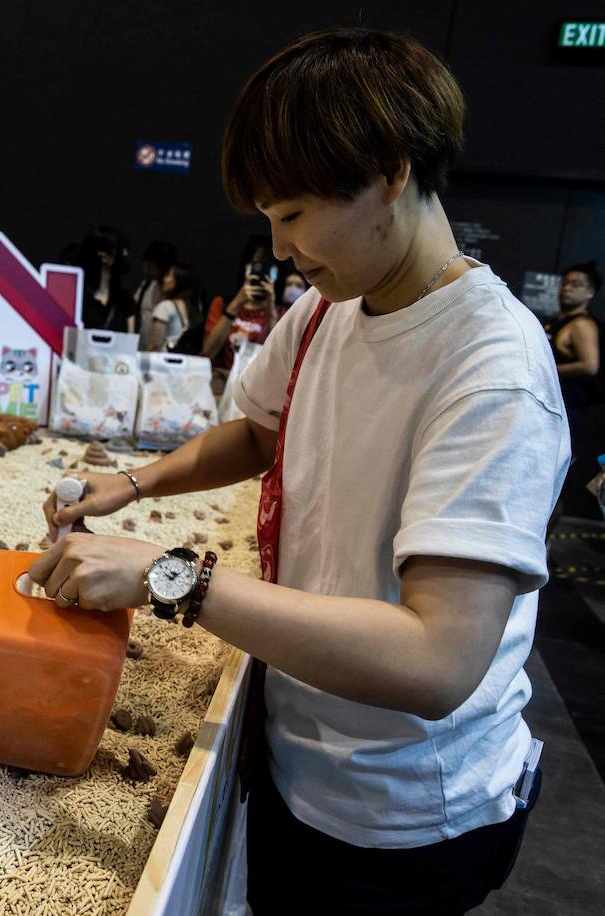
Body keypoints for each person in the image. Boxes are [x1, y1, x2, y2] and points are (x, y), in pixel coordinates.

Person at [34, 28, 563, 914]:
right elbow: (257, 431)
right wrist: (130, 487)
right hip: (299, 751)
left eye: (292, 214)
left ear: (391, 170)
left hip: (400, 819)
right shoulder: (330, 308)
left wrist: (172, 578)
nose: (280, 249)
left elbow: (438, 659)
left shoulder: (492, 369)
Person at [545, 260, 601, 522]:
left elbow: (590, 365)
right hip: (553, 415)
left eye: (576, 285)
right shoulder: (558, 322)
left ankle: (542, 549)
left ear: (590, 293)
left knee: (552, 487)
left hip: (569, 418)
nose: (567, 289)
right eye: (565, 283)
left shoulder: (581, 325)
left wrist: (548, 370)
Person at [77, 226, 136, 333]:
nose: (125, 255)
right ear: (103, 255)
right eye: (121, 251)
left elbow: (130, 343)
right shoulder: (77, 299)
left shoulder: (125, 300)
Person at [143, 263, 202, 351]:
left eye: (168, 276)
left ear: (179, 281)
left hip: (163, 362)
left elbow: (154, 346)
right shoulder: (196, 309)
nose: (164, 279)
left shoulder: (165, 307)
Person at [133, 240, 177, 348]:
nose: (145, 271)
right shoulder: (145, 287)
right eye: (145, 266)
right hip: (142, 349)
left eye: (151, 267)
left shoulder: (175, 295)